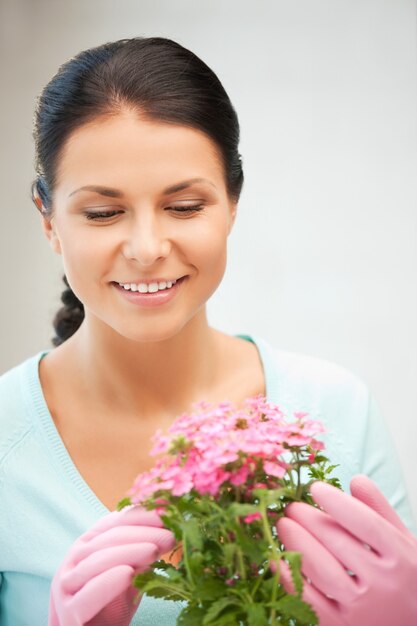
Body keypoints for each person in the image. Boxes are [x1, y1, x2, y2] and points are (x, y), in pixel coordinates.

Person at [0, 36, 415, 626]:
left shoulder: (338, 410)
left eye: (186, 206)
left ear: (232, 204)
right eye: (102, 212)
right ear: (48, 221)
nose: (146, 249)